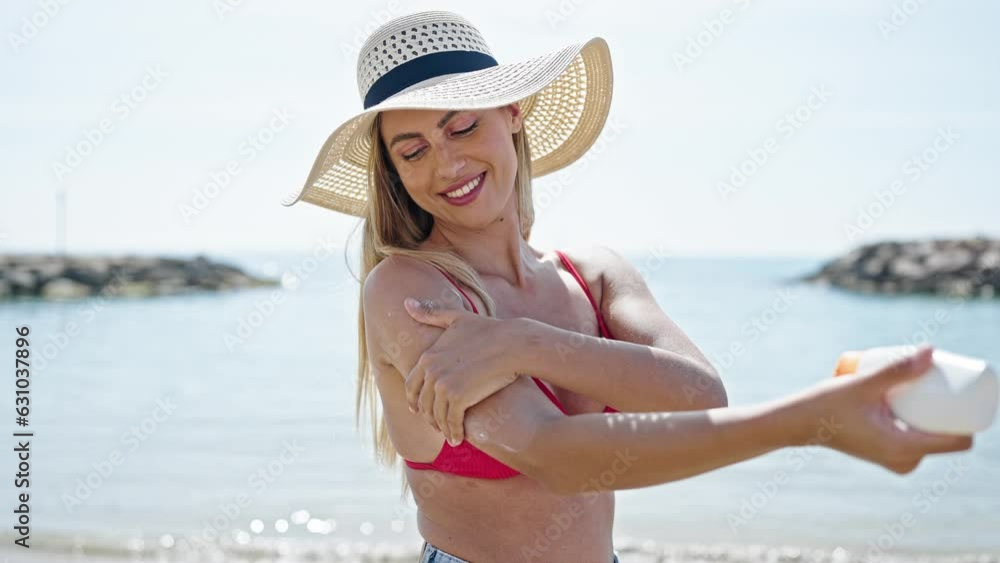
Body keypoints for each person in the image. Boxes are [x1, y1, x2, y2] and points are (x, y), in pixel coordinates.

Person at [281, 11, 973, 563]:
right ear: (394, 171)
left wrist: (525, 343)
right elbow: (552, 455)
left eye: (461, 126)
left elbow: (701, 394)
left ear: (513, 114)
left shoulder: (595, 271)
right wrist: (807, 422)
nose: (448, 162)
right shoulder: (407, 290)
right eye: (413, 150)